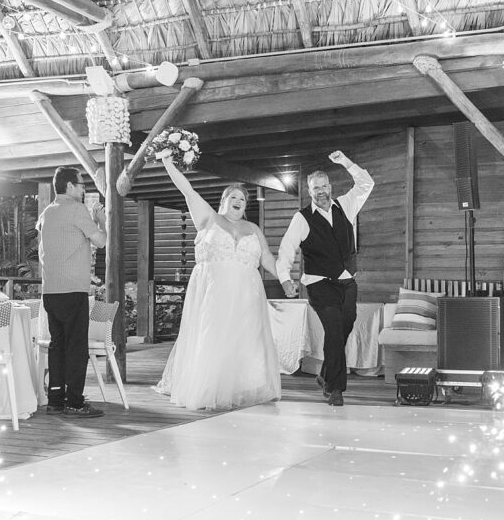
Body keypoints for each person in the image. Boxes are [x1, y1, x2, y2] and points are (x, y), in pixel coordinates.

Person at [155, 157, 282, 410]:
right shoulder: (209, 219)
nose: (238, 201)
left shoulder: (253, 228)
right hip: (215, 291)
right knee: (212, 336)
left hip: (247, 294)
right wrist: (168, 163)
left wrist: (286, 279)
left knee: (245, 340)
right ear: (223, 201)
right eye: (233, 197)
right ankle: (208, 387)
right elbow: (187, 190)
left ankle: (240, 387)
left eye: (243, 199)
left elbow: (266, 257)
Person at [276, 151, 374, 407]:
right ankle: (335, 388)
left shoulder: (346, 205)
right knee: (333, 330)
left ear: (330, 187)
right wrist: (285, 278)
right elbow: (287, 248)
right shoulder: (302, 218)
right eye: (314, 188)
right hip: (319, 283)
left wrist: (345, 162)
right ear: (309, 191)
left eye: (323, 186)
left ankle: (325, 374)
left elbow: (366, 184)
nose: (320, 191)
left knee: (345, 326)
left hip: (347, 281)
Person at [37, 166, 107, 418]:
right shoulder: (77, 210)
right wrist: (102, 222)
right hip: (73, 289)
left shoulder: (46, 213)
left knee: (57, 346)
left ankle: (55, 398)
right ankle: (75, 401)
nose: (83, 188)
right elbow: (100, 240)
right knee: (76, 347)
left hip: (51, 291)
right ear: (68, 186)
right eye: (81, 184)